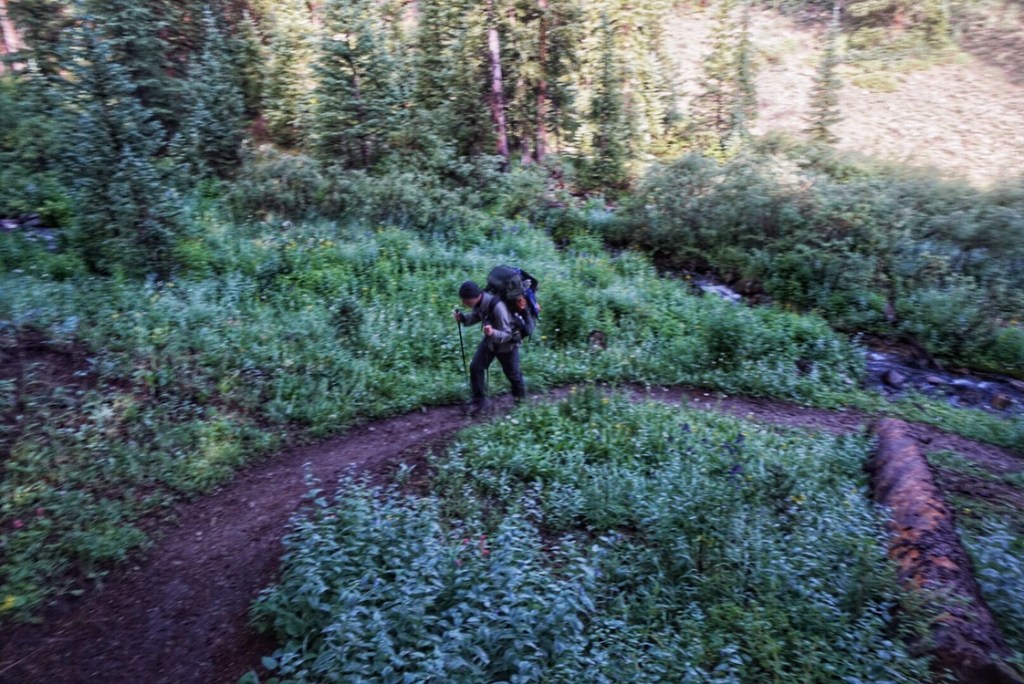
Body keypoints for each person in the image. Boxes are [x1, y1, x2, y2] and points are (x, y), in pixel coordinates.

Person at [454, 280, 527, 416]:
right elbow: (477, 316)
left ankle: (521, 404)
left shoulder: (497, 307)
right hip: (490, 342)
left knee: (513, 375)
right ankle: (479, 402)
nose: (464, 303)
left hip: (507, 346)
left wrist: (493, 333)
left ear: (475, 296)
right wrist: (463, 318)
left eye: (465, 300)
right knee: (476, 367)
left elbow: (508, 334)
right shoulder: (479, 302)